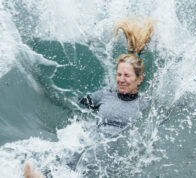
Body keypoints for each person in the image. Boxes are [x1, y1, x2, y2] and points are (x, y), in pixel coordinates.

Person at [24, 17, 155, 178]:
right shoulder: (105, 95)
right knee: (66, 161)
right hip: (91, 142)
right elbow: (73, 104)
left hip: (110, 154)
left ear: (139, 79)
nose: (121, 79)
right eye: (119, 74)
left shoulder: (144, 104)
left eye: (127, 75)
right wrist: (46, 95)